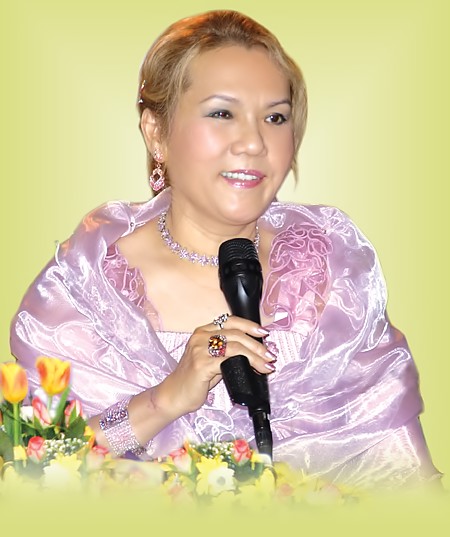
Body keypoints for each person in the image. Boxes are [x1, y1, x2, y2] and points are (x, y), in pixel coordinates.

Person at [10, 9, 441, 490]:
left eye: (275, 117)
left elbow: (407, 485)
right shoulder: (84, 294)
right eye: (222, 113)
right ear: (156, 132)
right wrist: (165, 400)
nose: (254, 142)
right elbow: (31, 476)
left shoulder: (336, 278)